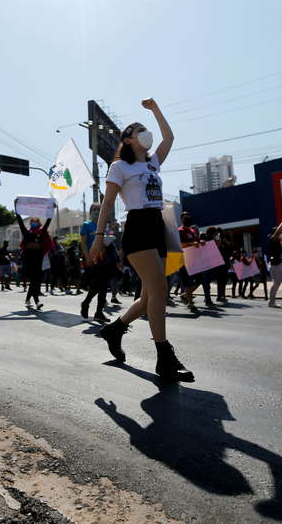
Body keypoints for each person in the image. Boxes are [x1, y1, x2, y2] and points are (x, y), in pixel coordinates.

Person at [90, 98, 194, 382]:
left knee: (150, 295)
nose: (144, 132)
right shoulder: (120, 167)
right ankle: (164, 357)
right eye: (138, 129)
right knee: (159, 288)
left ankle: (114, 329)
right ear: (127, 139)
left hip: (158, 225)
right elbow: (108, 203)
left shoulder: (152, 162)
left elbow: (169, 137)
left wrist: (156, 109)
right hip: (136, 227)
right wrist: (99, 237)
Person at [15, 211, 54, 310]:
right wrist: (17, 211)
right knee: (34, 280)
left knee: (35, 280)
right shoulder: (27, 232)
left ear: (39, 223)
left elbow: (48, 222)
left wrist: (51, 210)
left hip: (39, 258)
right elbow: (20, 222)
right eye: (33, 221)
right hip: (29, 259)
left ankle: (28, 299)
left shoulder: (42, 231)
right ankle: (37, 301)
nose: (34, 223)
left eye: (36, 221)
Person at [80, 203, 111, 322]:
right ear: (90, 211)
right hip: (92, 259)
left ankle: (99, 312)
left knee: (103, 287)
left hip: (103, 259)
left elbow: (105, 241)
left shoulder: (103, 226)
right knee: (97, 285)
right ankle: (86, 303)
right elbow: (83, 243)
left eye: (99, 209)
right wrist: (87, 258)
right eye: (94, 209)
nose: (97, 211)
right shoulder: (86, 225)